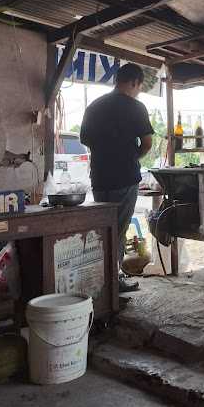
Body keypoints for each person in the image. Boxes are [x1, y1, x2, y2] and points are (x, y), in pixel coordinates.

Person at [80, 63, 153, 292]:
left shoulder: (95, 106)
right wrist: (132, 156)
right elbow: (148, 143)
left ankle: (101, 280)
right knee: (119, 230)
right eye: (139, 87)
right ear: (134, 82)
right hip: (124, 177)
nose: (137, 91)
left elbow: (85, 139)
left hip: (100, 178)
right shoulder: (136, 107)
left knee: (103, 230)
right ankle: (113, 282)